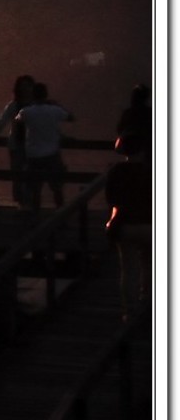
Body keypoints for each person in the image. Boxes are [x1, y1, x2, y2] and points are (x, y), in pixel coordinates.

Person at [108, 91, 152, 327]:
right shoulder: (154, 172)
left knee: (128, 268)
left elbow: (111, 199)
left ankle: (129, 310)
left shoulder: (116, 171)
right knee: (149, 264)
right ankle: (149, 301)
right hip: (150, 224)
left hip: (125, 225)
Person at [17, 82, 73, 211]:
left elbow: (17, 120)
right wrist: (57, 105)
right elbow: (71, 117)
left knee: (35, 188)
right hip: (52, 154)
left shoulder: (26, 111)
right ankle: (60, 215)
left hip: (33, 155)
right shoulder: (54, 110)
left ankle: (35, 216)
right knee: (57, 188)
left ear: (32, 95)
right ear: (46, 95)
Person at [0, 75, 36, 208]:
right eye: (22, 86)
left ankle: (30, 203)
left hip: (34, 146)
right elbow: (2, 122)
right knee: (17, 175)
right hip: (17, 145)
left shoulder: (37, 104)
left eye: (27, 86)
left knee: (31, 176)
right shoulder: (14, 105)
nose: (25, 89)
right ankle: (21, 203)